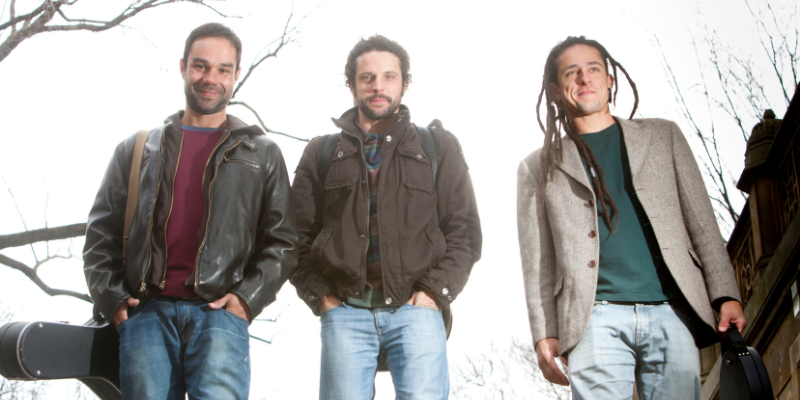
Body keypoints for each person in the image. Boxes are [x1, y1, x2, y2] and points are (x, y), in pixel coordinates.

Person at [517, 36, 746, 400]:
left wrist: (725, 294)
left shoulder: (663, 136)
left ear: (610, 79)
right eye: (571, 73)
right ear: (556, 91)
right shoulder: (537, 167)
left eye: (593, 69)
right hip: (593, 319)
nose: (584, 79)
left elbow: (701, 222)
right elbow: (538, 261)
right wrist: (544, 332)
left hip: (673, 311)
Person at [82, 22, 297, 400]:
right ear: (183, 67)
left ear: (235, 75)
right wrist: (113, 300)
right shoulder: (136, 150)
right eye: (200, 66)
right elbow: (100, 235)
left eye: (222, 69)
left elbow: (283, 242)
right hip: (145, 316)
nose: (210, 78)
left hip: (220, 317)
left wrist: (246, 300)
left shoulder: (261, 154)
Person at [290, 35, 482, 400]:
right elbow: (294, 236)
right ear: (351, 84)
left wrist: (433, 292)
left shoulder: (437, 145)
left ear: (405, 83)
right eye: (367, 78)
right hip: (344, 312)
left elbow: (465, 230)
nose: (378, 86)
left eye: (389, 77)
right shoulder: (321, 151)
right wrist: (322, 298)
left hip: (417, 308)